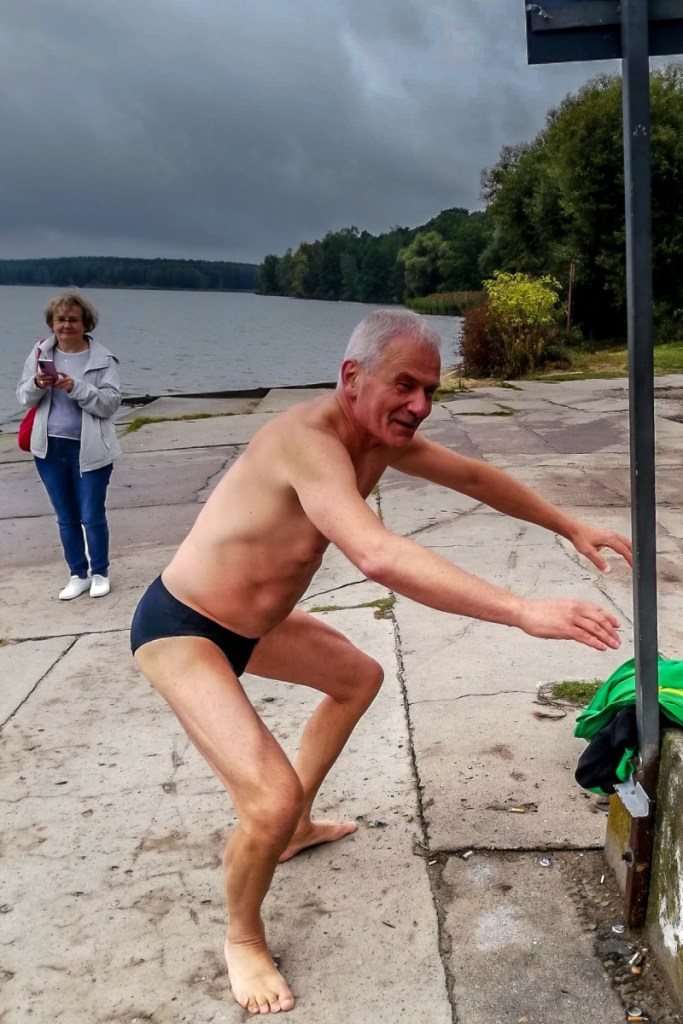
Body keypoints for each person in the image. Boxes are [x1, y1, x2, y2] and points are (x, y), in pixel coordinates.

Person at [131, 309, 632, 1015]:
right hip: (184, 628)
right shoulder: (307, 442)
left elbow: (474, 477)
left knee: (356, 678)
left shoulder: (375, 439)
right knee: (266, 800)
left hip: (256, 626)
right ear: (352, 377)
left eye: (430, 390)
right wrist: (520, 608)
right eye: (405, 385)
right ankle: (242, 936)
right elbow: (376, 554)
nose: (420, 405)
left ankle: (295, 827)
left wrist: (570, 524)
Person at [17, 292, 122, 599]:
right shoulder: (40, 353)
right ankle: (78, 574)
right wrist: (37, 384)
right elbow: (23, 397)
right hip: (49, 449)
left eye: (73, 320)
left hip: (90, 449)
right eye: (60, 319)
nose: (66, 325)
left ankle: (100, 573)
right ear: (51, 323)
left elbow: (110, 403)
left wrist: (76, 387)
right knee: (66, 517)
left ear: (85, 323)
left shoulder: (103, 359)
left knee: (91, 515)